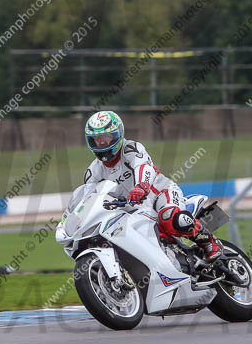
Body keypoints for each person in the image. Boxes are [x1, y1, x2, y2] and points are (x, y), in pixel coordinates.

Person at [81, 110, 222, 262]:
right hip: (130, 211)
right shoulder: (93, 172)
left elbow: (143, 167)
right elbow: (89, 199)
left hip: (160, 195)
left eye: (106, 137)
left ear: (117, 135)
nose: (101, 142)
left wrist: (141, 187)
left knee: (171, 219)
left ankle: (209, 241)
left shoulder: (131, 149)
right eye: (96, 139)